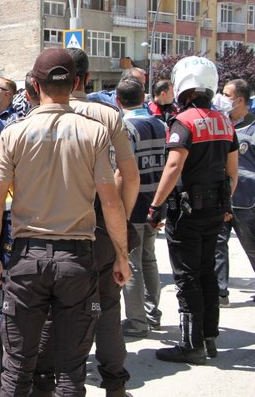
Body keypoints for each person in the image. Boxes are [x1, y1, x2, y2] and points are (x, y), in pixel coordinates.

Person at [0, 48, 130, 396]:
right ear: (77, 82)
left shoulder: (14, 134)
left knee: (17, 369)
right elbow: (110, 202)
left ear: (34, 85)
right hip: (77, 261)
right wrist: (121, 255)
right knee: (71, 374)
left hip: (26, 260)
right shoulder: (94, 132)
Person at [147, 56, 238, 365]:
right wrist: (226, 205)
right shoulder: (226, 122)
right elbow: (233, 171)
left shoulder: (184, 121)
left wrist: (155, 206)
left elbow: (173, 167)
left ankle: (190, 345)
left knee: (187, 277)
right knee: (207, 273)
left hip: (187, 212)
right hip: (216, 210)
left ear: (184, 85)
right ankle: (209, 338)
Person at [66, 48, 140, 397]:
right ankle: (114, 384)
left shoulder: (37, 116)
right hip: (101, 222)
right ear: (86, 79)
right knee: (107, 306)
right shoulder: (108, 115)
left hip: (55, 226)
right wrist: (119, 222)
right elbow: (129, 176)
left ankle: (67, 382)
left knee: (61, 311)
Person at [115, 76, 168, 337]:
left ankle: (137, 322)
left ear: (117, 100)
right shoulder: (160, 124)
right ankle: (152, 313)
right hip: (155, 202)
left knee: (131, 262)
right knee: (149, 258)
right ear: (143, 97)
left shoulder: (125, 128)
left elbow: (121, 172)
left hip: (133, 203)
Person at [213, 79, 255, 305]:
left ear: (239, 99)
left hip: (246, 198)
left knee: (249, 242)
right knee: (218, 243)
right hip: (222, 195)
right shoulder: (221, 124)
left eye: (226, 94)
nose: (221, 97)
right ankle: (220, 291)